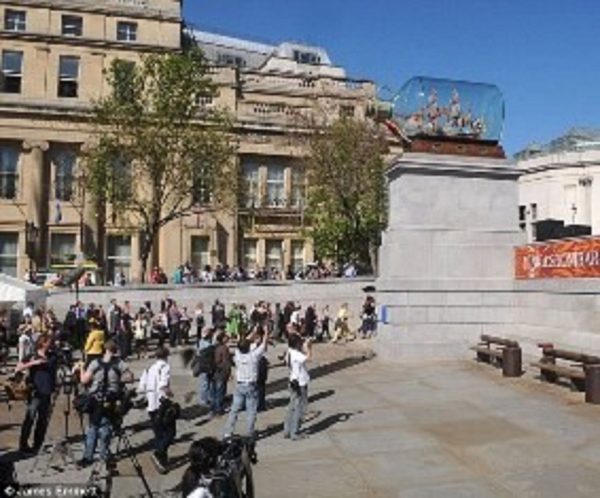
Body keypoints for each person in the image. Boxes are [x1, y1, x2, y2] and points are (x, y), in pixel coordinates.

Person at [77, 340, 132, 467]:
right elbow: (130, 377)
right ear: (115, 350)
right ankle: (105, 454)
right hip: (111, 399)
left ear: (104, 349)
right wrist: (117, 381)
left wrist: (80, 368)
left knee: (92, 427)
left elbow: (84, 380)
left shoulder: (95, 363)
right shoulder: (120, 363)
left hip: (95, 399)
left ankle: (88, 456)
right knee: (106, 427)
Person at [223, 326, 269, 440]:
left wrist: (252, 332)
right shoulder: (253, 356)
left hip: (239, 385)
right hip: (251, 385)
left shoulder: (237, 355)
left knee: (234, 410)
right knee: (251, 410)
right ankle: (249, 433)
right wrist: (266, 332)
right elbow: (263, 345)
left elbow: (243, 344)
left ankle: (228, 432)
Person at [16, 335, 58, 454]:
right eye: (49, 342)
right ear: (43, 343)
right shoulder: (33, 355)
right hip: (35, 392)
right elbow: (18, 368)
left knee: (43, 420)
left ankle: (37, 444)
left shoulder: (53, 356)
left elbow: (54, 372)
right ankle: (23, 445)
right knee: (30, 418)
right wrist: (34, 363)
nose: (51, 344)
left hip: (47, 392)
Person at [143, 346, 175, 473]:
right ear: (166, 356)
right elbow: (163, 386)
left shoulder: (150, 368)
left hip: (151, 405)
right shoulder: (165, 367)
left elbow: (143, 385)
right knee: (170, 433)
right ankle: (158, 453)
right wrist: (171, 394)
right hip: (161, 405)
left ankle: (162, 461)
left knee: (158, 434)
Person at [283, 334, 311, 441]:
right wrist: (308, 347)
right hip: (300, 382)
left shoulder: (289, 352)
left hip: (292, 380)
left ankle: (287, 429)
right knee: (299, 408)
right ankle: (295, 432)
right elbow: (308, 357)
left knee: (291, 406)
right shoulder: (296, 354)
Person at [211, 331, 231, 416]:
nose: (228, 338)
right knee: (220, 392)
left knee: (215, 391)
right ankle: (219, 409)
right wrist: (229, 373)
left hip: (214, 371)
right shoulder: (224, 348)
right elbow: (226, 362)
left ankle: (214, 408)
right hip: (221, 373)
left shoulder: (215, 347)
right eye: (226, 337)